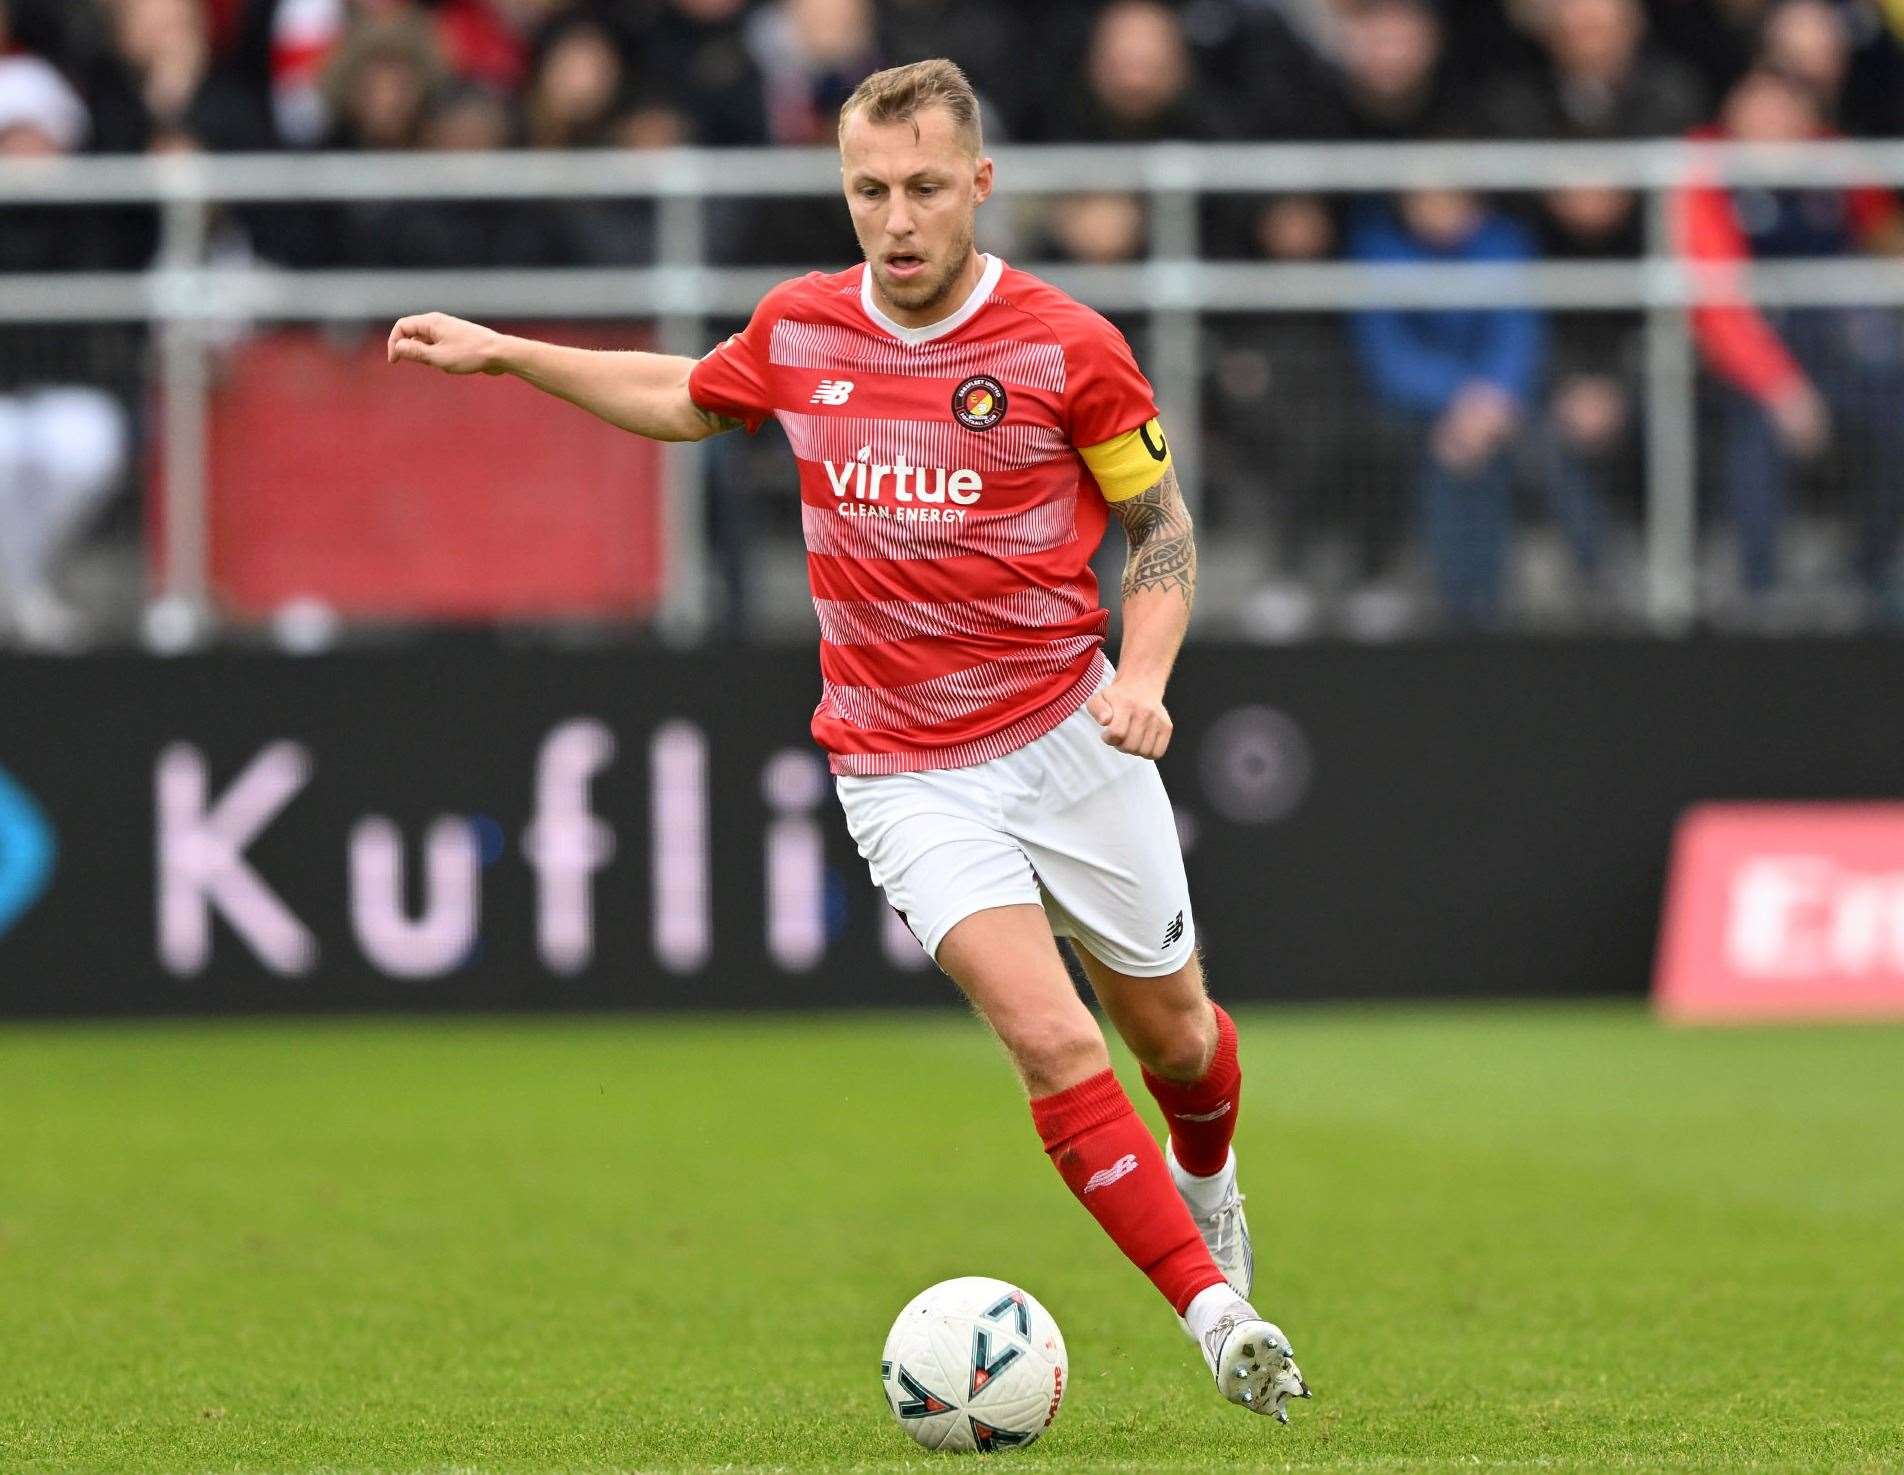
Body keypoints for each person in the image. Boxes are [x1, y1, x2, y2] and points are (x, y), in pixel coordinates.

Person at [388, 57, 1310, 1422]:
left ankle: (1210, 1188)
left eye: (926, 187)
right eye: (870, 188)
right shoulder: (802, 329)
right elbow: (684, 394)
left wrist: (1148, 675)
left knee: (1175, 1036)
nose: (896, 218)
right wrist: (515, 354)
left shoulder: (1068, 347)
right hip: (903, 770)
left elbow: (1161, 527)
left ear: (980, 186)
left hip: (1072, 734)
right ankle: (1218, 1315)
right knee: (1054, 1042)